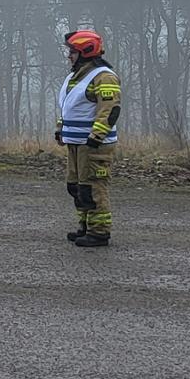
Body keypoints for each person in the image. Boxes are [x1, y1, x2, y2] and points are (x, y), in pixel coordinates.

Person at [55, 30, 121, 247]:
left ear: (85, 52)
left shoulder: (104, 76)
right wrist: (61, 129)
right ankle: (85, 225)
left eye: (72, 52)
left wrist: (97, 136)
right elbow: (70, 107)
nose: (69, 56)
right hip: (76, 143)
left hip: (93, 146)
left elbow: (109, 109)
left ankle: (99, 231)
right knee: (76, 186)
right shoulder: (76, 76)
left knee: (93, 187)